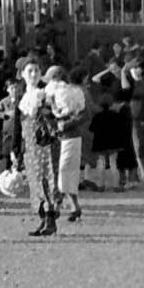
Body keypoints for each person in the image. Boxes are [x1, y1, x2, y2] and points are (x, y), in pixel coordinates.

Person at [19, 60, 62, 237]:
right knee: (35, 183)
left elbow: (55, 115)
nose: (34, 74)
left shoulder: (45, 94)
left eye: (37, 70)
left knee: (47, 180)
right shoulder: (22, 96)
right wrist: (16, 149)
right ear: (22, 74)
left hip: (44, 144)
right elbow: (18, 124)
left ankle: (50, 219)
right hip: (29, 145)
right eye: (30, 71)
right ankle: (42, 218)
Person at [46, 65, 89, 225]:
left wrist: (68, 123)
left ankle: (58, 206)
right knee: (62, 170)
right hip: (58, 135)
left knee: (65, 170)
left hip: (69, 134)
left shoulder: (74, 92)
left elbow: (84, 114)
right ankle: (74, 206)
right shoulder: (54, 92)